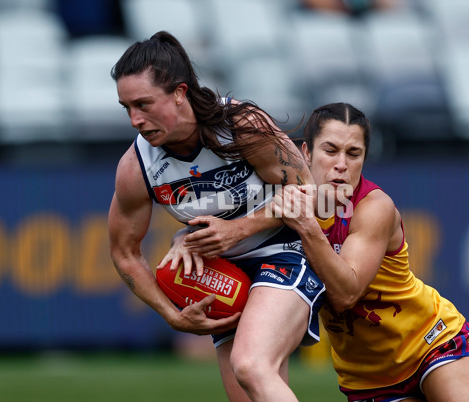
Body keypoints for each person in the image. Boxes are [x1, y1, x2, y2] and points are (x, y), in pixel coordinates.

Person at [107, 31, 325, 402]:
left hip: (284, 249)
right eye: (126, 107)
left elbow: (309, 192)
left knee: (251, 364)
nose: (134, 120)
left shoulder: (241, 125)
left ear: (179, 92)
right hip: (223, 276)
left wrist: (238, 229)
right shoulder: (135, 167)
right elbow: (124, 252)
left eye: (143, 104)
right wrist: (171, 315)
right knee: (250, 390)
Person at [270, 103, 469, 401]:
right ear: (307, 153)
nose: (341, 164)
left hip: (432, 343)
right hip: (368, 379)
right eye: (330, 150)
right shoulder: (284, 205)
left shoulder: (374, 208)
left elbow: (345, 294)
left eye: (353, 154)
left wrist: (307, 227)